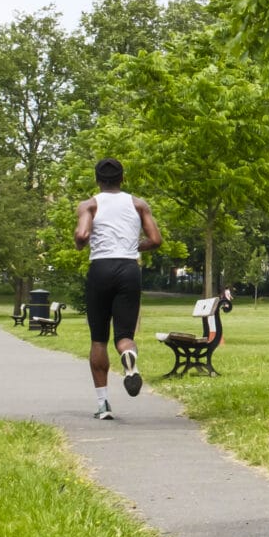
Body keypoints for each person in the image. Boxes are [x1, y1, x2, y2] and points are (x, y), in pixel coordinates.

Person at [73, 158, 161, 420]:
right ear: (122, 179)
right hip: (128, 269)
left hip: (100, 268)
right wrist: (134, 247)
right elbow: (155, 240)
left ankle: (103, 405)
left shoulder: (90, 204)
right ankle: (129, 355)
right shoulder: (138, 204)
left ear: (97, 180)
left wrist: (80, 245)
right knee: (124, 335)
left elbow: (81, 235)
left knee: (98, 338)